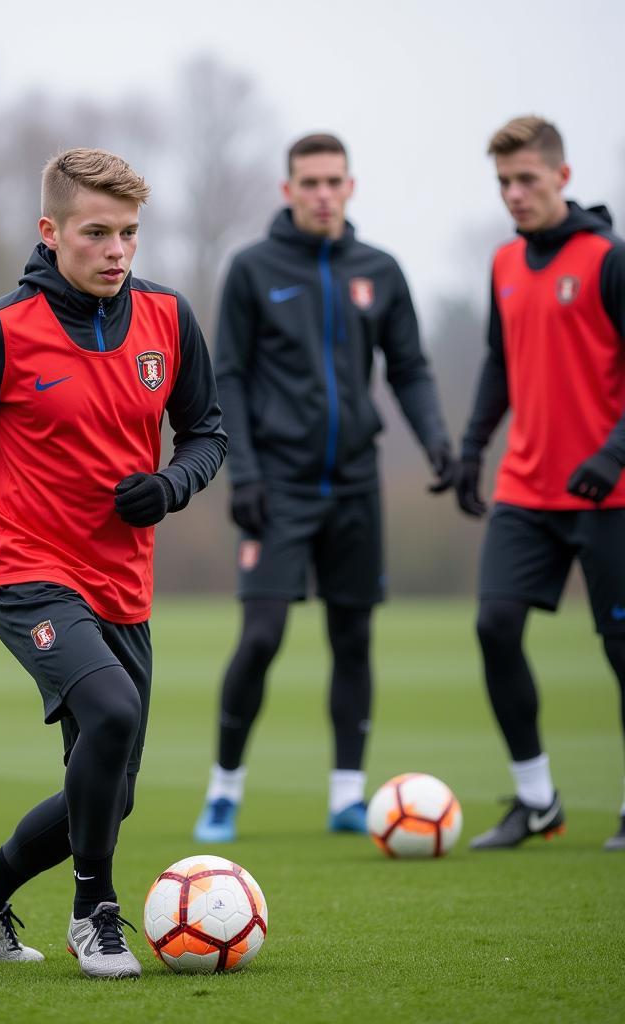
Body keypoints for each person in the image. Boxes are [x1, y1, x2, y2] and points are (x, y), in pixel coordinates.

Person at [0, 148, 226, 977]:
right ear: (50, 231)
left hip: (121, 582)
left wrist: (171, 485)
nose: (116, 250)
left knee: (111, 789)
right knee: (110, 713)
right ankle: (93, 913)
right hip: (23, 568)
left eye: (130, 233)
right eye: (96, 232)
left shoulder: (169, 321)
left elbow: (208, 433)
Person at [193, 133, 455, 844]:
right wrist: (241, 471)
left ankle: (347, 795)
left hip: (357, 484)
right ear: (287, 190)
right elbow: (232, 379)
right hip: (276, 485)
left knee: (354, 637)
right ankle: (223, 791)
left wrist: (435, 438)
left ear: (350, 187)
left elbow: (408, 368)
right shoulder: (252, 269)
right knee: (262, 637)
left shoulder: (380, 270)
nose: (321, 193)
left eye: (333, 181)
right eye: (308, 181)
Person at [456, 116, 625, 852]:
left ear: (562, 176)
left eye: (527, 179)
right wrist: (471, 449)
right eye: (503, 183)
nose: (514, 195)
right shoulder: (502, 264)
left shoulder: (608, 259)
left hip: (610, 494)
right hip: (527, 487)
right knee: (494, 627)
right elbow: (500, 362)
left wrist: (615, 452)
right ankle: (536, 801)